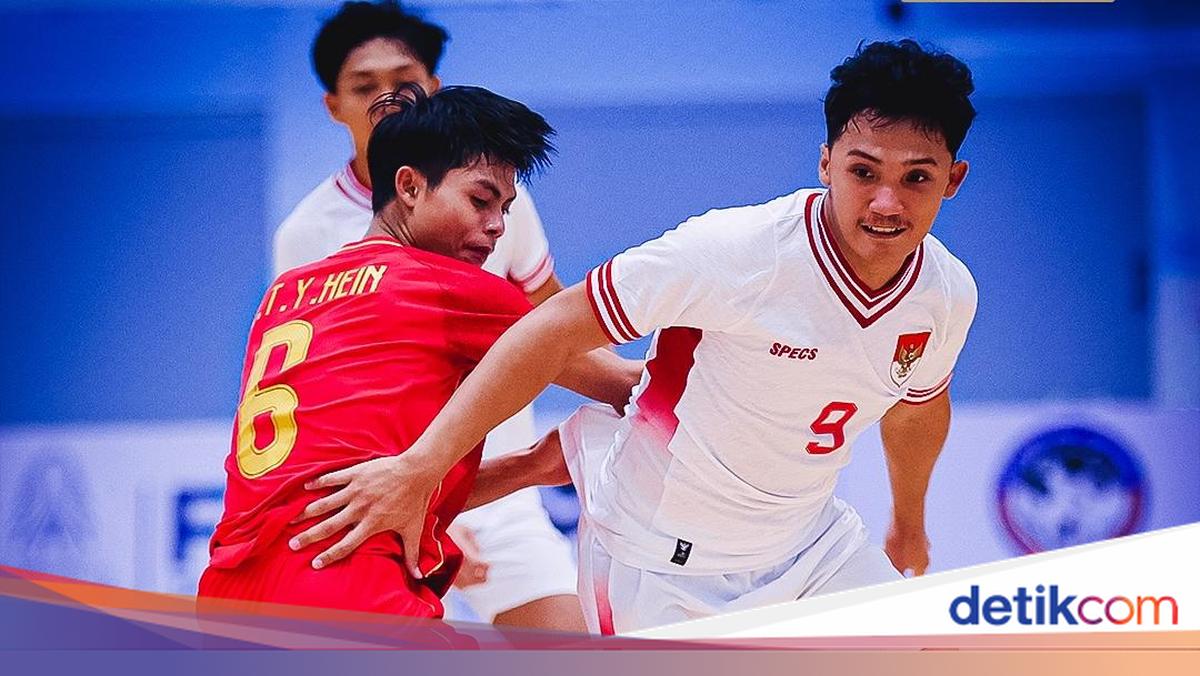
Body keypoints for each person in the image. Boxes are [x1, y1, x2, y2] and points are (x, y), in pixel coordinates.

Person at [289, 39, 980, 634]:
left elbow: (917, 406)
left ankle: (567, 454)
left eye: (916, 178)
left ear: (953, 180)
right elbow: (550, 328)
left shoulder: (946, 295)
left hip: (813, 544)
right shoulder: (733, 251)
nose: (887, 202)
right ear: (826, 161)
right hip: (664, 563)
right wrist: (423, 468)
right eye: (865, 171)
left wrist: (909, 523)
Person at [199, 84, 637, 619]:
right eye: (480, 200)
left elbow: (364, 488)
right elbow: (629, 388)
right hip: (347, 591)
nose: (498, 226)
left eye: (505, 207)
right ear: (409, 186)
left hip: (230, 598)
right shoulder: (450, 287)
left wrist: (528, 467)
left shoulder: (284, 295)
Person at [273, 1, 585, 630]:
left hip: (497, 486)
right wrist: (421, 502)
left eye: (404, 80)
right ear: (334, 105)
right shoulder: (308, 237)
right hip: (380, 493)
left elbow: (553, 321)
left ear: (433, 87)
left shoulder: (497, 195)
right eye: (365, 86)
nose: (388, 97)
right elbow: (317, 401)